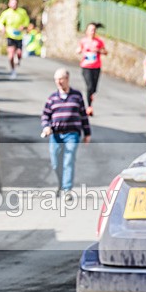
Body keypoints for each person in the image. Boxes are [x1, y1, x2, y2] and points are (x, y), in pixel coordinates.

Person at [41, 68, 91, 202]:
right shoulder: (52, 98)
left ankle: (67, 190)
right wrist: (46, 127)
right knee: (55, 163)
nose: (58, 82)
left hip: (72, 134)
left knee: (68, 161)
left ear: (67, 79)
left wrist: (87, 133)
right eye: (56, 79)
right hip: (56, 135)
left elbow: (83, 115)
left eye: (61, 79)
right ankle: (61, 184)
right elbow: (45, 115)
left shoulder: (77, 96)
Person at [0, 0, 30, 79]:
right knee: (10, 56)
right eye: (12, 3)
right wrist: (2, 28)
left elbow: (26, 21)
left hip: (19, 36)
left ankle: (18, 59)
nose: (14, 5)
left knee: (19, 53)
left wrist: (23, 26)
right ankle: (13, 70)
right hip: (10, 36)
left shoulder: (22, 12)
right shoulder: (6, 13)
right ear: (9, 4)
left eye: (15, 3)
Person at [76, 22, 107, 116]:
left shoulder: (99, 42)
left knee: (94, 89)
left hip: (96, 67)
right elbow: (78, 50)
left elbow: (105, 52)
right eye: (91, 30)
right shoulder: (83, 41)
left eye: (94, 30)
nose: (92, 32)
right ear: (87, 31)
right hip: (86, 67)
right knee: (89, 87)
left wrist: (98, 50)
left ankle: (91, 96)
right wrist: (80, 50)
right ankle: (89, 107)